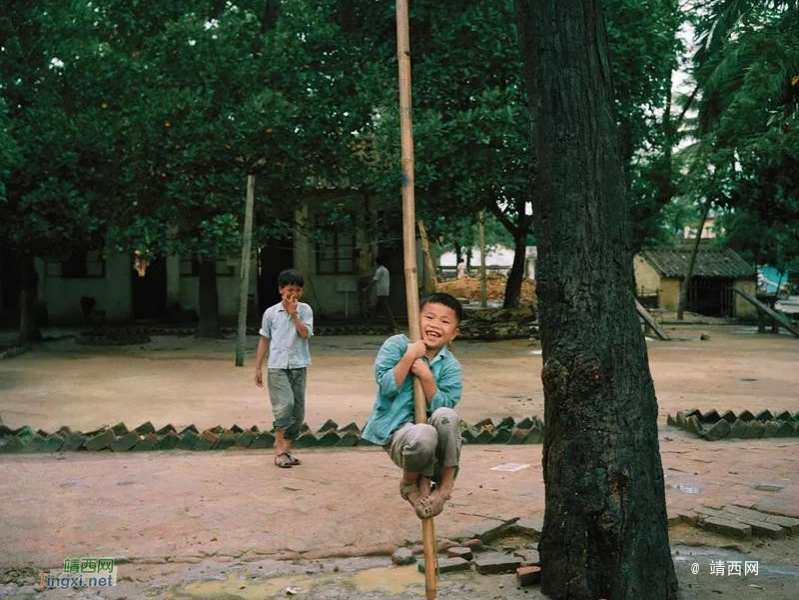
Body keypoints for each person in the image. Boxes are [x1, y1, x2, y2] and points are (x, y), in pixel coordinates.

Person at [362, 292, 464, 519]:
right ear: (415, 319)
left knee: (446, 414)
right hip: (403, 440)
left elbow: (446, 405)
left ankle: (446, 485)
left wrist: (427, 377)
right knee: (423, 433)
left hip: (437, 452)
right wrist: (409, 357)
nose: (435, 325)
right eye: (429, 317)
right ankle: (409, 483)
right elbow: (387, 386)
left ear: (454, 333)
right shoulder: (397, 345)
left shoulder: (451, 366)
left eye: (445, 321)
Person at [254, 269, 313, 468]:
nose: (294, 294)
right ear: (281, 290)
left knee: (298, 412)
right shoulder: (270, 313)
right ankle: (278, 449)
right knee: (284, 406)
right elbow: (264, 340)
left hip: (299, 365)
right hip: (277, 367)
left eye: (298, 290)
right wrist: (258, 367)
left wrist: (294, 314)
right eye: (290, 290)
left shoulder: (305, 310)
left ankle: (286, 450)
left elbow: (305, 334)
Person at [363, 256, 398, 329]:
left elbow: (374, 280)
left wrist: (367, 288)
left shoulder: (379, 270)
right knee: (376, 308)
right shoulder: (385, 269)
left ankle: (393, 324)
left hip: (381, 291)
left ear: (376, 263)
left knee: (386, 309)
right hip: (384, 290)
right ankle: (370, 323)